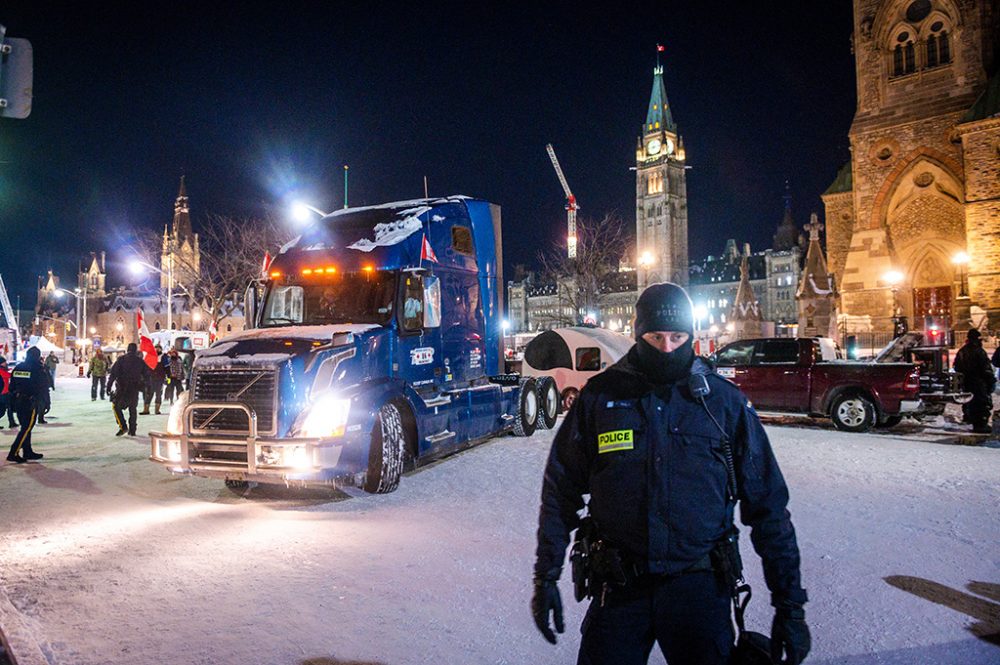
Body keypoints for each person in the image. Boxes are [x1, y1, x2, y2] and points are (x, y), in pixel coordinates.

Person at [532, 282, 810, 665]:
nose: (666, 347)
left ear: (691, 336)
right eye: (656, 336)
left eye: (677, 336)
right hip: (620, 589)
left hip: (698, 589)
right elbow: (560, 491)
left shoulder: (723, 404)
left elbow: (769, 508)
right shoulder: (600, 398)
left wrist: (790, 605)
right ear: (637, 333)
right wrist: (545, 576)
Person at [6, 347, 49, 463]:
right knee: (26, 428)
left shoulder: (18, 367)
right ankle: (13, 452)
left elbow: (11, 386)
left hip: (18, 401)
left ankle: (27, 451)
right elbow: (43, 387)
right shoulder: (38, 368)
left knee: (25, 427)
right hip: (30, 402)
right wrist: (46, 402)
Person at [954, 329, 996, 434]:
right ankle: (980, 425)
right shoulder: (978, 351)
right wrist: (990, 380)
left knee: (969, 401)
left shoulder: (962, 351)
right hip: (978, 381)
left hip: (966, 381)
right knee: (981, 403)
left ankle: (969, 418)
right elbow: (985, 368)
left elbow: (956, 366)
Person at [107, 342, 149, 437]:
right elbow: (147, 375)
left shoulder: (121, 360)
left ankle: (123, 426)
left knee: (116, 406)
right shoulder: (140, 361)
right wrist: (147, 388)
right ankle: (132, 430)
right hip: (134, 388)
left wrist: (109, 386)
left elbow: (113, 374)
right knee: (132, 409)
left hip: (122, 388)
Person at [141, 344, 166, 415]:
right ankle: (146, 410)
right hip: (151, 379)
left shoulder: (163, 357)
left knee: (158, 394)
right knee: (149, 394)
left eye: (159, 348)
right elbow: (145, 367)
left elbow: (167, 367)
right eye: (156, 348)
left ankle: (157, 410)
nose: (157, 350)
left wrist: (168, 376)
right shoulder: (150, 356)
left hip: (159, 379)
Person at [0, 356, 17, 429]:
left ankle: (12, 422)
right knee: (8, 408)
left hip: (4, 392)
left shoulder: (3, 369)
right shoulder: (1, 371)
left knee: (2, 410)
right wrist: (15, 372)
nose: (5, 363)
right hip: (3, 393)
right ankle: (12, 423)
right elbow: (8, 375)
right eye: (4, 362)